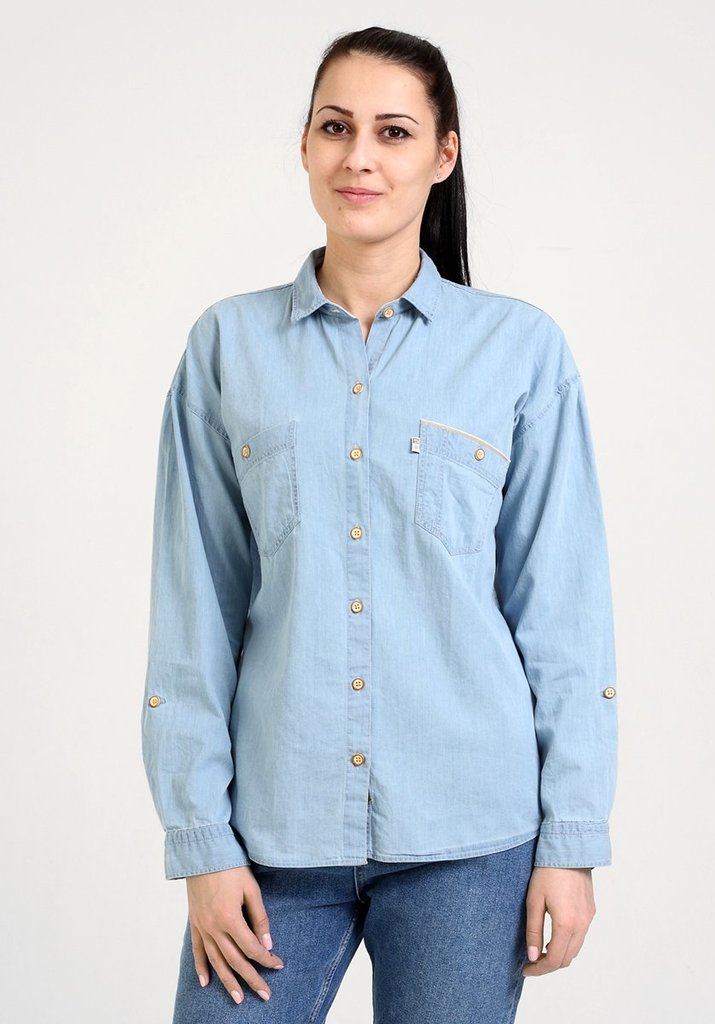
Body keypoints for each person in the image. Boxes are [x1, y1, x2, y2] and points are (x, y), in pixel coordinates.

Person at [141, 25, 618, 1023]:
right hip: (273, 834)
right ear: (305, 146)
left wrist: (570, 842)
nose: (360, 156)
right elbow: (193, 615)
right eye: (336, 127)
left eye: (393, 132)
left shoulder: (520, 351)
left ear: (443, 155)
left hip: (471, 839)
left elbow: (563, 616)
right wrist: (202, 845)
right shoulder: (227, 346)